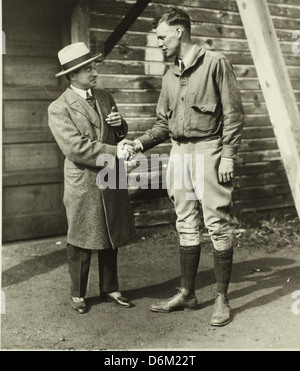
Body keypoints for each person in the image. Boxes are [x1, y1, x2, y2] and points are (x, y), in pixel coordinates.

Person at [125, 8, 244, 326]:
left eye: (162, 36)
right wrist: (138, 144)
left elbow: (233, 113)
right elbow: (162, 124)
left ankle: (221, 298)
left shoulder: (215, 63)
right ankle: (187, 293)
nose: (159, 43)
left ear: (179, 31)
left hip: (209, 151)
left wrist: (228, 154)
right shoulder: (169, 74)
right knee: (185, 222)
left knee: (216, 223)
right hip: (178, 153)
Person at [48, 42, 136, 314]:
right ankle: (78, 293)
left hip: (109, 175)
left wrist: (120, 126)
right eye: (88, 69)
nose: (94, 72)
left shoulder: (105, 96)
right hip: (83, 179)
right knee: (81, 235)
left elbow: (118, 133)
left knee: (110, 232)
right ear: (72, 75)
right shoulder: (59, 108)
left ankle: (110, 287)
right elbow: (75, 148)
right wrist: (116, 151)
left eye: (95, 66)